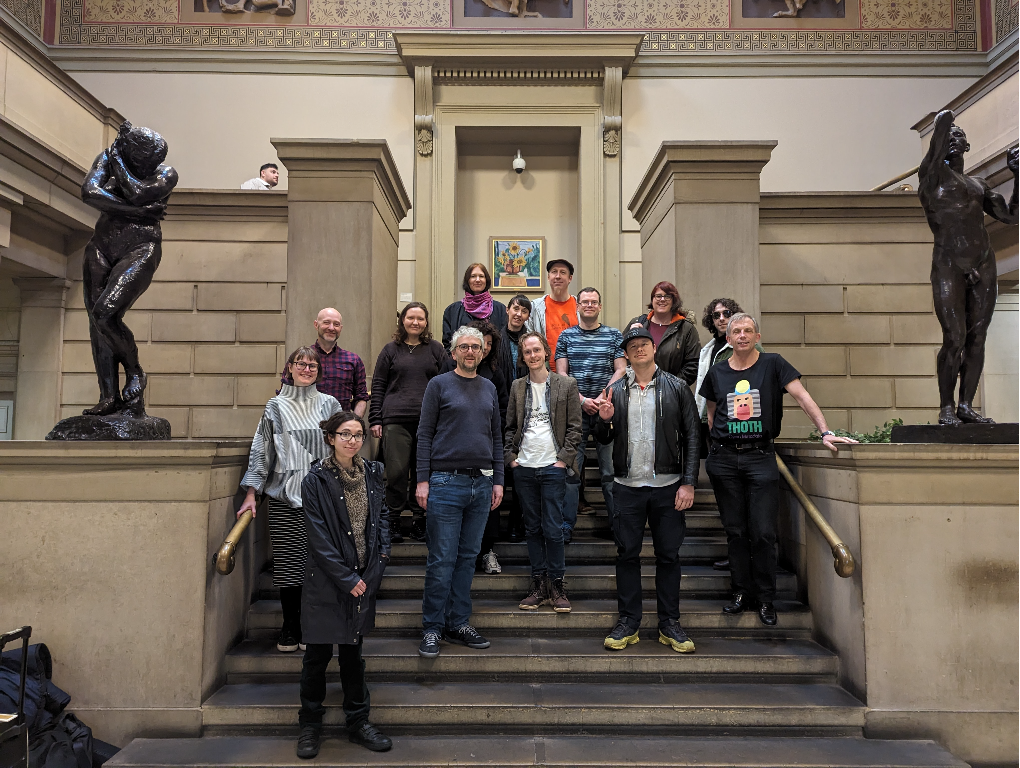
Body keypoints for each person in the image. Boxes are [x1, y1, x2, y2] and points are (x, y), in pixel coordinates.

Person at [699, 313, 857, 627]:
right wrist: (718, 447)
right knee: (736, 531)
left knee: (763, 532)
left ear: (757, 336)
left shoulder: (773, 364)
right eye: (736, 332)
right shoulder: (717, 372)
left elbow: (802, 396)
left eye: (747, 331)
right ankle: (740, 592)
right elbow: (712, 412)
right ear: (728, 339)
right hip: (725, 459)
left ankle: (766, 599)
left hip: (760, 457)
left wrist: (825, 431)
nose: (741, 336)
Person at [594, 327, 700, 654]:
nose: (638, 349)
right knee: (627, 555)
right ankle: (629, 622)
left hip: (668, 487)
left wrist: (688, 482)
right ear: (625, 353)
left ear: (653, 348)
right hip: (627, 487)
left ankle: (670, 623)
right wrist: (604, 420)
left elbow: (694, 437)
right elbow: (602, 438)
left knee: (668, 556)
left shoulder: (677, 387)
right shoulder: (615, 388)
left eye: (643, 344)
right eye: (632, 346)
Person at [295, 411, 391, 758]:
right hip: (327, 581)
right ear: (331, 437)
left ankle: (358, 722)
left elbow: (382, 521)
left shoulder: (374, 473)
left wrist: (377, 566)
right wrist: (347, 578)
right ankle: (309, 725)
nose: (352, 440)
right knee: (317, 658)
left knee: (353, 656)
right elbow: (318, 538)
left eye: (358, 435)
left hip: (362, 579)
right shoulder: (316, 479)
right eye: (345, 434)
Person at [918, 110, 1019, 425]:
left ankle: (966, 404)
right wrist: (943, 123)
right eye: (949, 135)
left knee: (978, 338)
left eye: (958, 135)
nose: (952, 138)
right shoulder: (932, 176)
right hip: (949, 263)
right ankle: (946, 406)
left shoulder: (978, 184)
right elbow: (935, 148)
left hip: (983, 262)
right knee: (955, 337)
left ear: (967, 144)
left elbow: (1011, 216)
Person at [238, 346, 342, 653]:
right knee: (289, 566)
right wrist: (251, 492)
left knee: (319, 566)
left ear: (318, 371)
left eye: (312, 365)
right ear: (290, 367)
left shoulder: (329, 403)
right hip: (285, 498)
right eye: (301, 364)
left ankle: (312, 625)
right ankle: (290, 626)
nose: (307, 369)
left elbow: (341, 449)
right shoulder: (275, 405)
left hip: (322, 500)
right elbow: (262, 449)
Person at [415, 326, 504, 658]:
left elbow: (496, 437)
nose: (470, 352)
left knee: (467, 559)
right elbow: (424, 435)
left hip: (481, 485)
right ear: (453, 353)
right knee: (441, 560)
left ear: (482, 353)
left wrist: (498, 480)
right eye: (464, 347)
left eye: (476, 347)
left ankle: (458, 622)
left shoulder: (490, 388)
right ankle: (432, 627)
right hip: (443, 483)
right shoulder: (438, 385)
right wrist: (422, 480)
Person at [80, 121, 178, 416]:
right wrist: (139, 213)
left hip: (141, 247)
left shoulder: (166, 173)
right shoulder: (107, 157)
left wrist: (118, 162)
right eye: (146, 160)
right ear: (134, 153)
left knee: (105, 313)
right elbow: (89, 193)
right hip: (101, 246)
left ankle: (135, 371)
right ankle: (108, 395)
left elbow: (136, 192)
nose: (153, 165)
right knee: (97, 323)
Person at [505, 332, 582, 613]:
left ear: (545, 352)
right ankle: (539, 585)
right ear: (523, 357)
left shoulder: (566, 384)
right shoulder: (516, 387)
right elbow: (510, 427)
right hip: (524, 467)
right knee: (532, 528)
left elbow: (575, 428)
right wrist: (511, 459)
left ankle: (557, 586)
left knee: (553, 527)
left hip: (552, 467)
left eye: (537, 350)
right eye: (527, 352)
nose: (533, 355)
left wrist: (562, 460)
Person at [694, 297, 764, 572]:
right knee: (727, 496)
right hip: (713, 426)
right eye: (716, 316)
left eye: (727, 314)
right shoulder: (709, 349)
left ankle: (748, 557)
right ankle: (735, 552)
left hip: (743, 429)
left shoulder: (749, 348)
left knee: (746, 501)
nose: (721, 319)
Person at [369, 302, 446, 544]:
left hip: (428, 422)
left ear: (426, 323)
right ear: (402, 320)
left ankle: (419, 520)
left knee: (423, 472)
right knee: (396, 472)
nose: (415, 322)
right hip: (395, 420)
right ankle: (392, 521)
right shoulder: (391, 350)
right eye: (410, 317)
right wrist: (375, 418)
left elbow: (446, 384)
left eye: (420, 318)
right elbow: (379, 384)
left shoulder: (435, 349)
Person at [555, 287, 626, 539]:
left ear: (600, 306)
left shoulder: (614, 335)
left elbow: (620, 370)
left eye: (593, 302)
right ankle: (566, 525)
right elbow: (561, 374)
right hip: (575, 412)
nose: (588, 305)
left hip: (606, 410)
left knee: (609, 472)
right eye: (584, 302)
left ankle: (617, 524)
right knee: (573, 471)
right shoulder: (565, 336)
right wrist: (583, 399)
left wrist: (600, 398)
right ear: (578, 306)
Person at [280, 307, 369, 416]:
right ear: (316, 324)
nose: (331, 328)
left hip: (339, 427)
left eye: (336, 324)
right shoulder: (300, 358)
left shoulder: (353, 360)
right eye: (326, 323)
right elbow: (285, 392)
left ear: (341, 328)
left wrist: (353, 424)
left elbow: (361, 397)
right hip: (305, 423)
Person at [442, 263, 514, 384]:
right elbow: (447, 343)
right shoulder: (452, 310)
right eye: (473, 276)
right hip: (460, 371)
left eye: (481, 276)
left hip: (493, 372)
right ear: (467, 280)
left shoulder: (500, 309)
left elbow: (504, 342)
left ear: (487, 280)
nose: (477, 280)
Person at [501, 294, 532, 542]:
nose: (518, 313)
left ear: (528, 316)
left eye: (523, 310)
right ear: (508, 310)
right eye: (515, 308)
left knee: (521, 474)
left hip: (526, 413)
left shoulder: (530, 342)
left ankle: (516, 523)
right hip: (498, 410)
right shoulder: (496, 338)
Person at [627, 281, 700, 385]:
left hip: (673, 393)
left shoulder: (686, 328)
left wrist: (671, 386)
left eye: (667, 296)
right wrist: (630, 336)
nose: (662, 299)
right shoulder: (637, 322)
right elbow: (622, 355)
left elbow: (693, 365)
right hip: (637, 388)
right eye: (658, 296)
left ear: (674, 301)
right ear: (652, 300)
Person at [526, 259, 578, 355]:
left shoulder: (580, 306)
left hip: (576, 367)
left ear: (570, 278)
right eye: (554, 272)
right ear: (548, 277)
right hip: (546, 368)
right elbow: (528, 340)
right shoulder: (535, 307)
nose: (558, 276)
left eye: (563, 272)